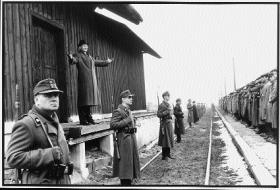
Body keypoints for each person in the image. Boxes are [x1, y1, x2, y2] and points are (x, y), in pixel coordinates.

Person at [6, 79, 72, 184]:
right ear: (36, 100)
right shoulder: (27, 124)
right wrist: (49, 154)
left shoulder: (54, 120)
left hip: (61, 181)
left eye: (56, 95)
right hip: (41, 182)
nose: (54, 99)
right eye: (48, 95)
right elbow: (12, 158)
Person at [68, 40, 113, 125]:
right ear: (79, 47)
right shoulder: (78, 55)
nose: (86, 47)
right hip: (84, 81)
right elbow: (74, 60)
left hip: (91, 81)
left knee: (88, 101)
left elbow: (97, 62)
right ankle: (83, 120)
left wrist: (106, 62)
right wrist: (71, 58)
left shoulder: (89, 56)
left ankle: (89, 118)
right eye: (84, 46)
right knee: (83, 100)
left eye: (86, 46)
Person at [110, 90, 140, 186]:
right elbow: (113, 125)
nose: (131, 99)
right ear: (123, 99)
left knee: (131, 163)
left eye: (131, 97)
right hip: (124, 140)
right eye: (129, 97)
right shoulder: (118, 111)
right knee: (125, 164)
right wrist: (128, 120)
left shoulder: (128, 110)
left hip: (131, 138)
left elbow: (128, 121)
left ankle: (129, 183)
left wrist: (134, 122)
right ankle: (125, 184)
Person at [157, 91, 175, 161]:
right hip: (164, 124)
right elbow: (158, 115)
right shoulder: (161, 105)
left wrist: (171, 116)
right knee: (165, 140)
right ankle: (164, 156)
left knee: (169, 139)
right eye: (167, 96)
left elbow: (170, 113)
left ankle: (168, 154)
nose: (169, 97)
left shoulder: (169, 104)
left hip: (169, 123)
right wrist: (167, 112)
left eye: (169, 96)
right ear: (164, 96)